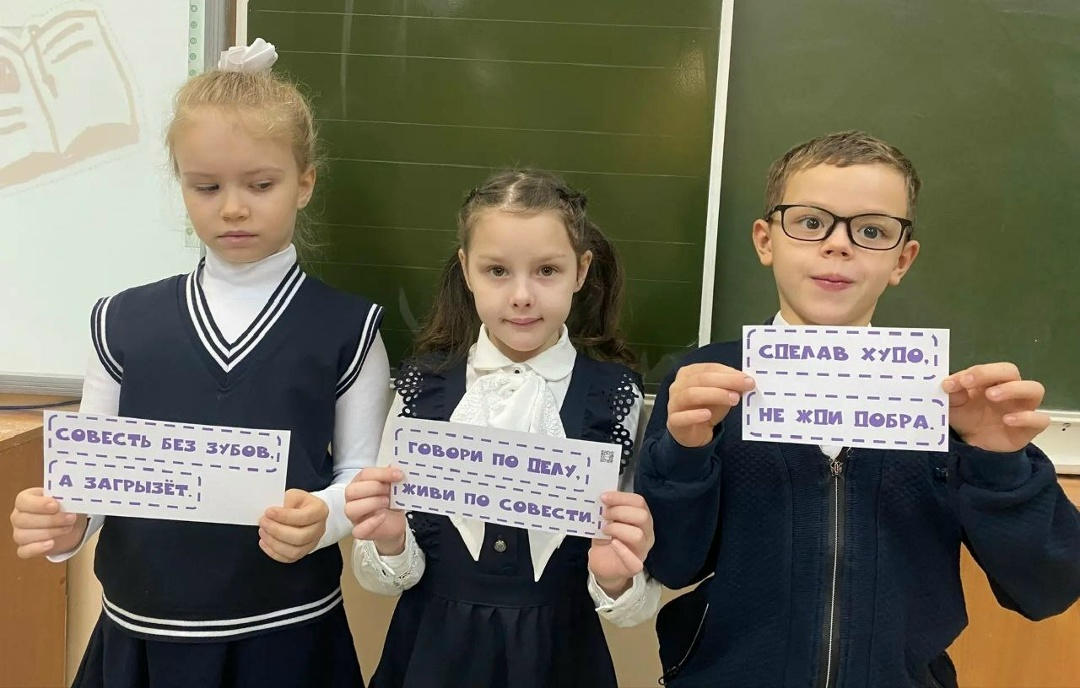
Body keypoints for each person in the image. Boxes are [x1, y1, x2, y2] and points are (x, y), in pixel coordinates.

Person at [636, 130, 1080, 688]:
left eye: (872, 231)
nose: (838, 245)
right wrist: (684, 455)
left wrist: (1000, 466)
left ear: (902, 259)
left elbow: (1050, 588)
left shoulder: (952, 404)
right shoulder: (702, 387)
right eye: (810, 222)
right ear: (766, 241)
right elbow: (672, 563)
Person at [9, 39, 390, 688]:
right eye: (206, 186)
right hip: (142, 635)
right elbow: (90, 481)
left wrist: (325, 518)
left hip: (286, 637)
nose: (233, 207)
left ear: (305, 183)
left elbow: (361, 475)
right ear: (180, 183)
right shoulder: (120, 322)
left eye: (261, 184)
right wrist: (65, 523)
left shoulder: (349, 329)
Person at [345, 170, 662, 688]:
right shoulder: (422, 387)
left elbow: (631, 605)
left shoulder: (616, 396)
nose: (521, 295)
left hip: (560, 656)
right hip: (433, 654)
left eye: (547, 271)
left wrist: (615, 576)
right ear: (466, 270)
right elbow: (382, 577)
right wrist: (389, 540)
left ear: (581, 271)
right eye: (496, 270)